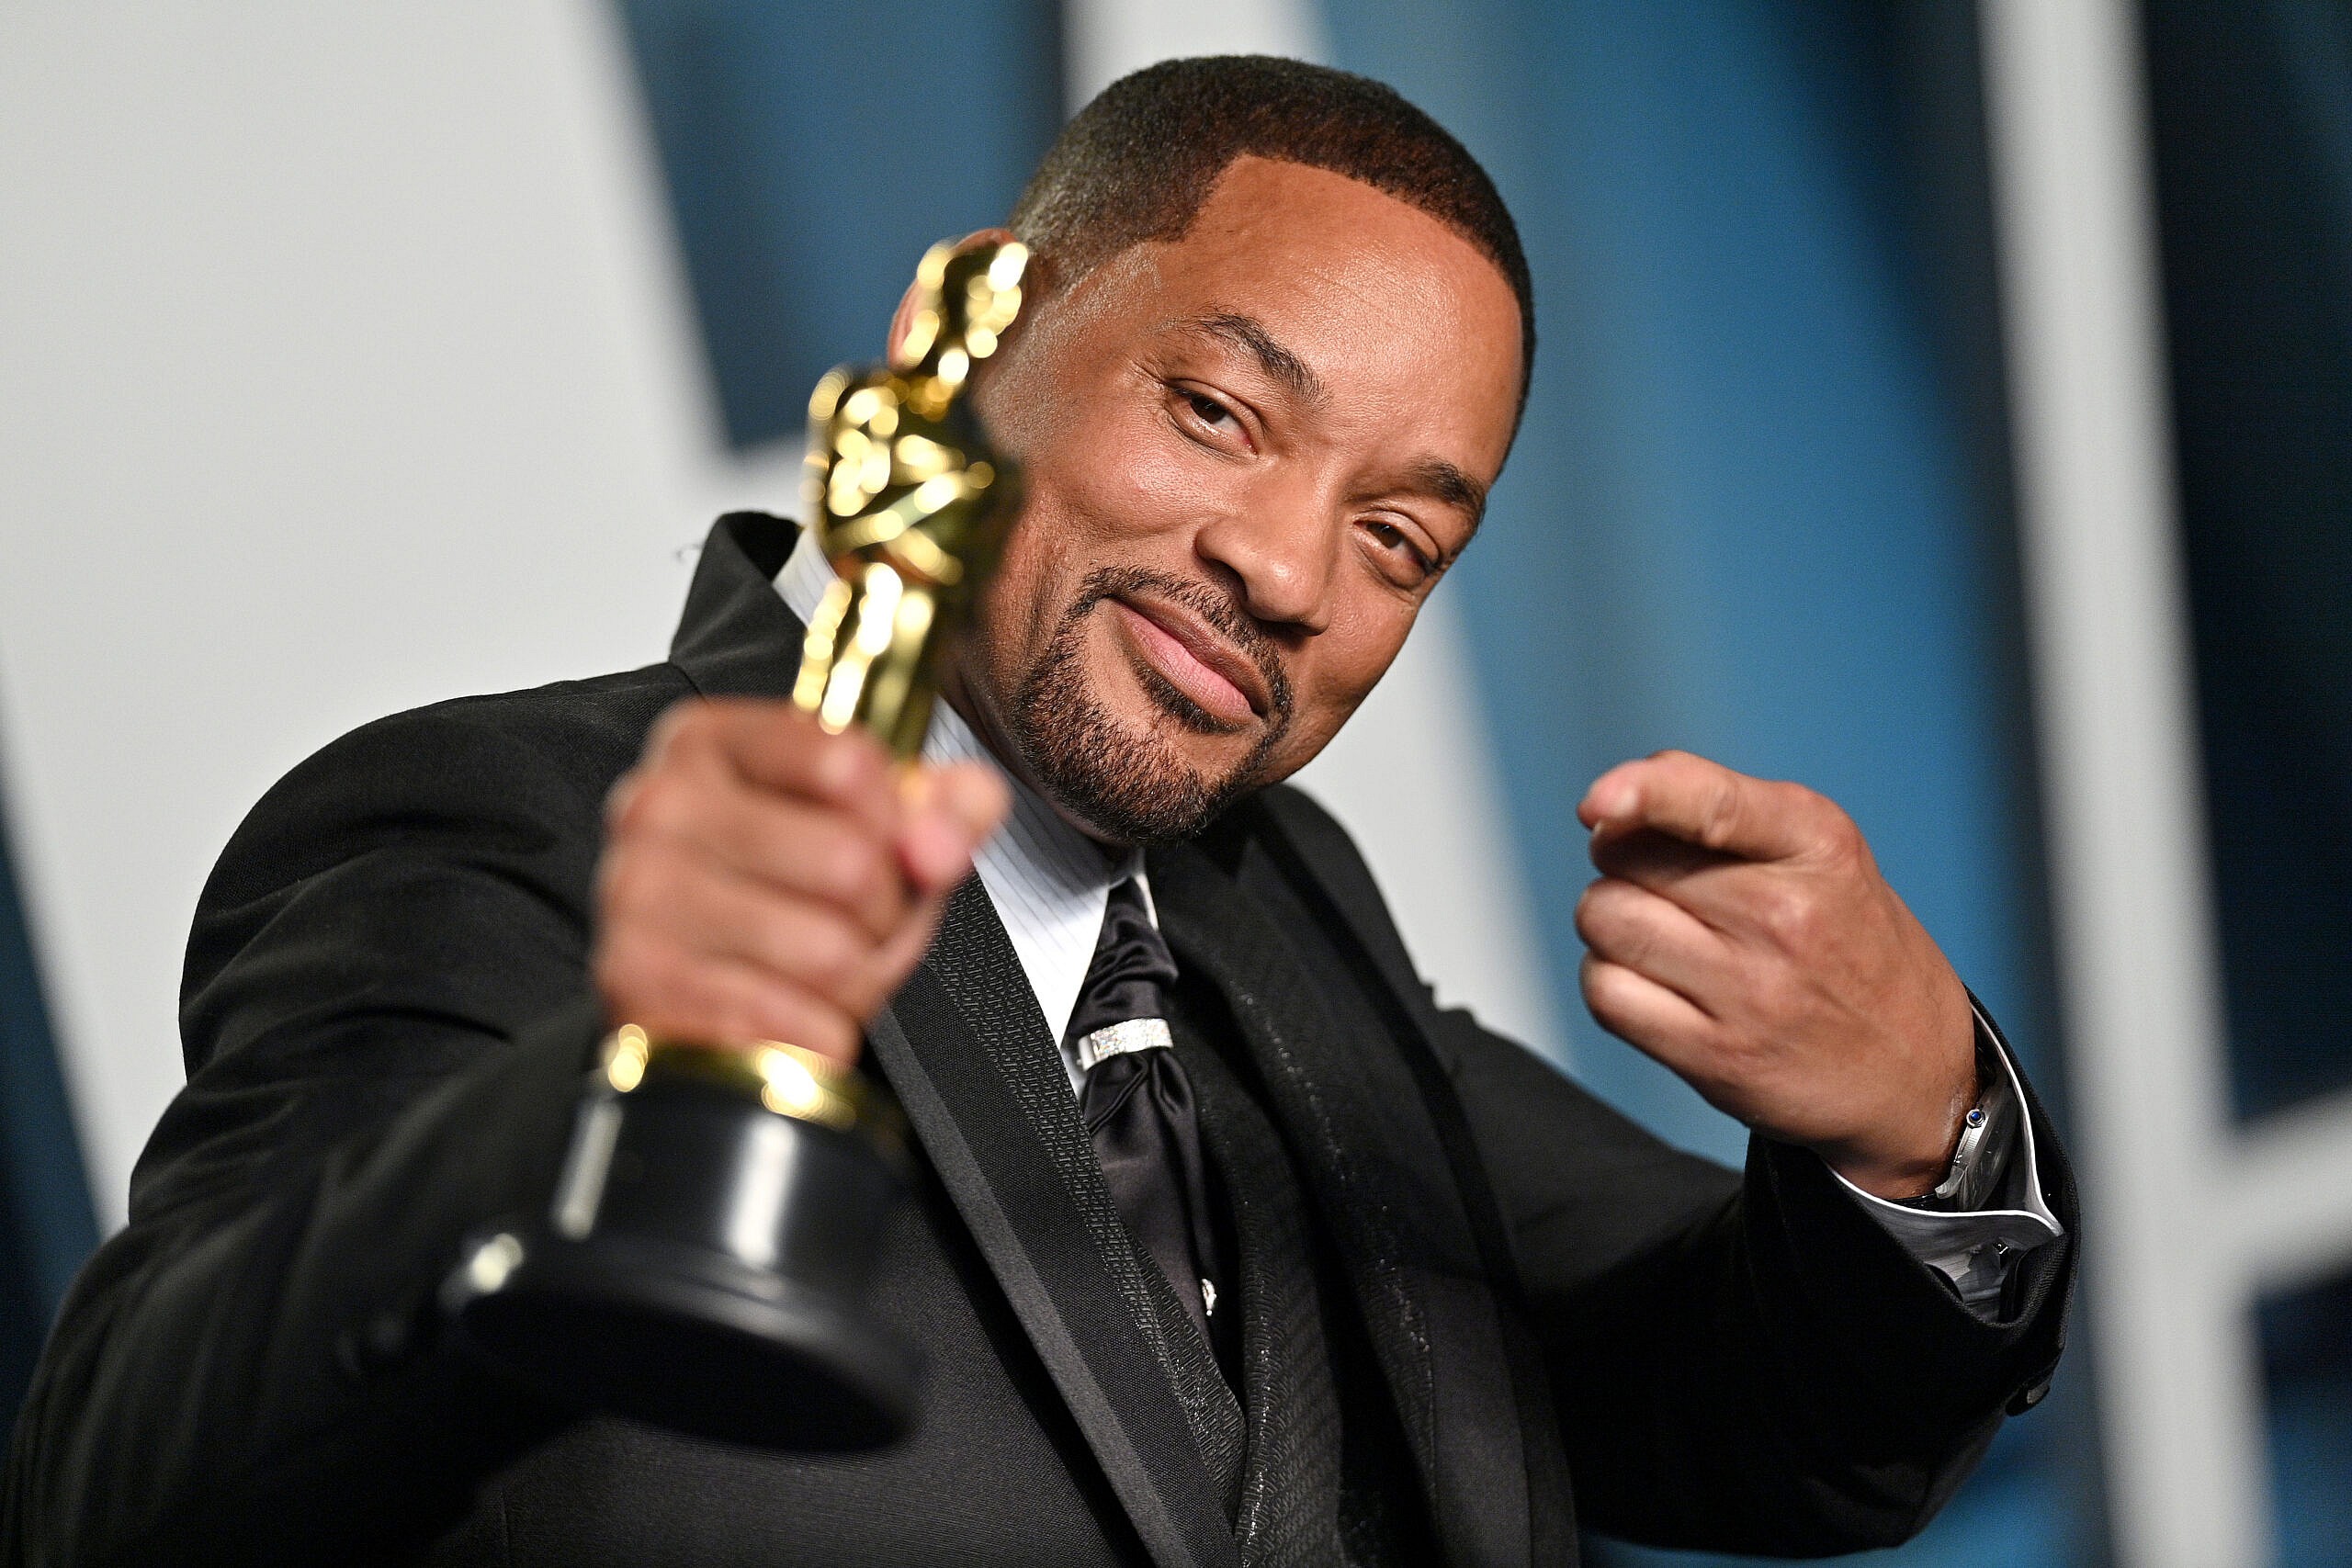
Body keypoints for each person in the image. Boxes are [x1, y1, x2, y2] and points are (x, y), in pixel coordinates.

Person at [3, 57, 2073, 1568]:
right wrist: (608, 1097)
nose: (1284, 568)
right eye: (1216, 411)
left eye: (1395, 533)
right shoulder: (492, 826)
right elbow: (118, 1486)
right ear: (958, 330)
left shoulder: (1277, 920)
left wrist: (1916, 1120)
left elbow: (1759, 1422)